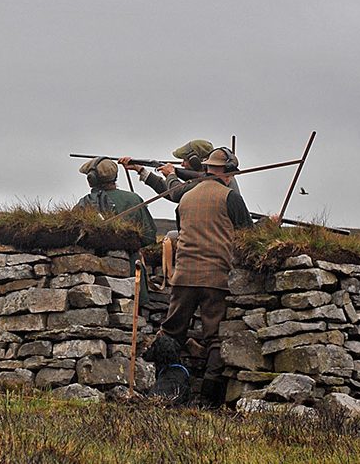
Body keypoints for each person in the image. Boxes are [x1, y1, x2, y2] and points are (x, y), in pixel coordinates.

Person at [157, 147, 253, 405]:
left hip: (184, 276)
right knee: (213, 338)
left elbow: (183, 230)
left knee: (171, 332)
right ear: (229, 173)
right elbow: (248, 237)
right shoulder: (231, 197)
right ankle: (209, 400)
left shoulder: (186, 197)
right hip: (216, 278)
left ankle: (164, 388)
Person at [118, 139, 240, 203]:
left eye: (185, 160)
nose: (182, 164)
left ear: (195, 161)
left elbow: (176, 194)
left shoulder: (210, 180)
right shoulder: (211, 177)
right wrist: (141, 170)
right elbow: (173, 191)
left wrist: (171, 174)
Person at [74, 157, 157, 247]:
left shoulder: (84, 203)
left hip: (91, 259)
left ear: (92, 179)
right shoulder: (134, 198)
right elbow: (149, 237)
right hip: (131, 258)